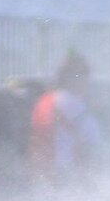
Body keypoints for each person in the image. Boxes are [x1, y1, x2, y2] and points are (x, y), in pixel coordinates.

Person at [29, 49, 103, 187]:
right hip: (66, 178)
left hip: (42, 177)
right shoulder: (71, 103)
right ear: (78, 79)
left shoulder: (45, 100)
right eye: (86, 78)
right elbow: (95, 140)